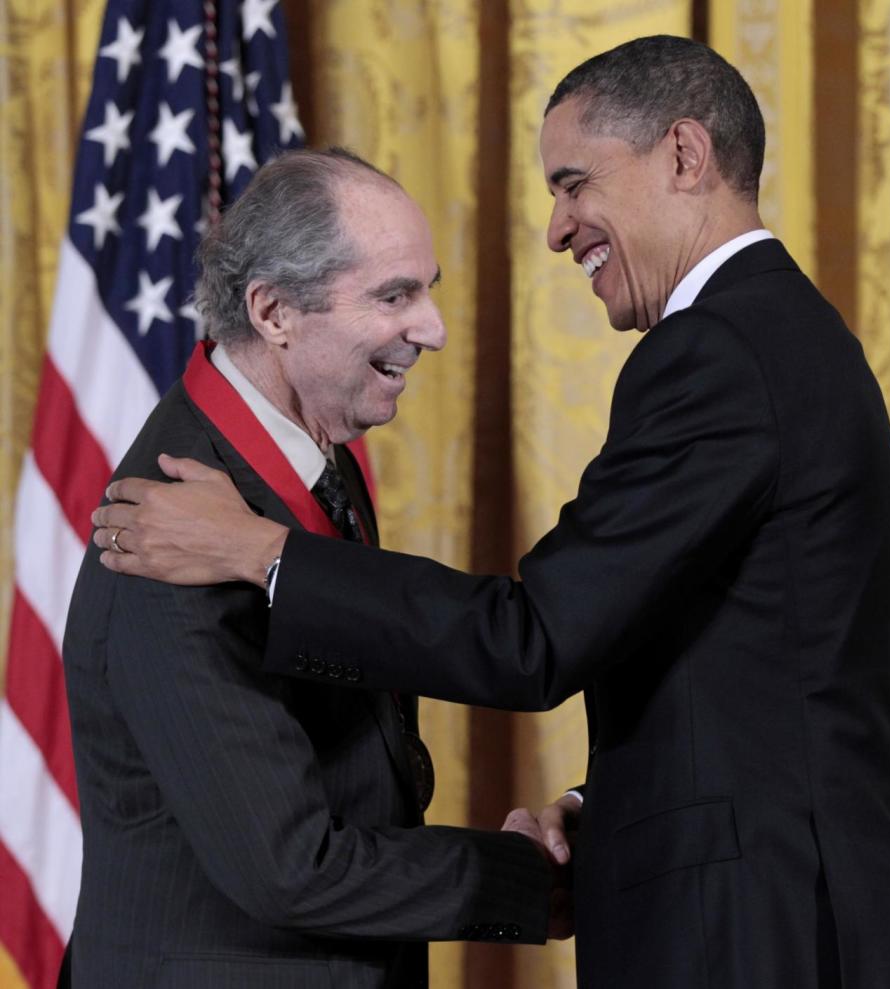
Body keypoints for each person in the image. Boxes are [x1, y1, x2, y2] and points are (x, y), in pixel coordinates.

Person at [92, 37, 890, 988]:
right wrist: (604, 811)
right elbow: (736, 659)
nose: (557, 228)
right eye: (396, 293)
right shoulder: (174, 514)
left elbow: (534, 636)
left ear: (683, 156)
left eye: (574, 181)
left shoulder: (720, 351)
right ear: (273, 312)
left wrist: (266, 555)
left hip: (773, 932)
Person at [62, 148, 562, 989]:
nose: (433, 327)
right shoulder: (169, 534)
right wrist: (528, 882)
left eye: (427, 287)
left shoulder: (295, 466)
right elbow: (290, 864)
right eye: (394, 295)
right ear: (274, 311)